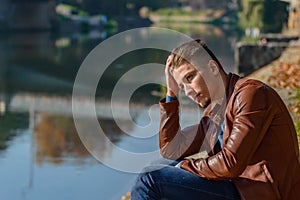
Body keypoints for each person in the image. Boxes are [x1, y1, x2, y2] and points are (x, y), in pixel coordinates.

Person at [130, 39, 300, 199]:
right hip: (238, 187)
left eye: (190, 78)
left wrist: (184, 166)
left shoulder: (251, 95)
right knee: (161, 164)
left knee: (150, 179)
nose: (188, 92)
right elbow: (171, 149)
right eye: (183, 86)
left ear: (212, 68)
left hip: (260, 193)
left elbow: (230, 163)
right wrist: (171, 94)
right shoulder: (216, 110)